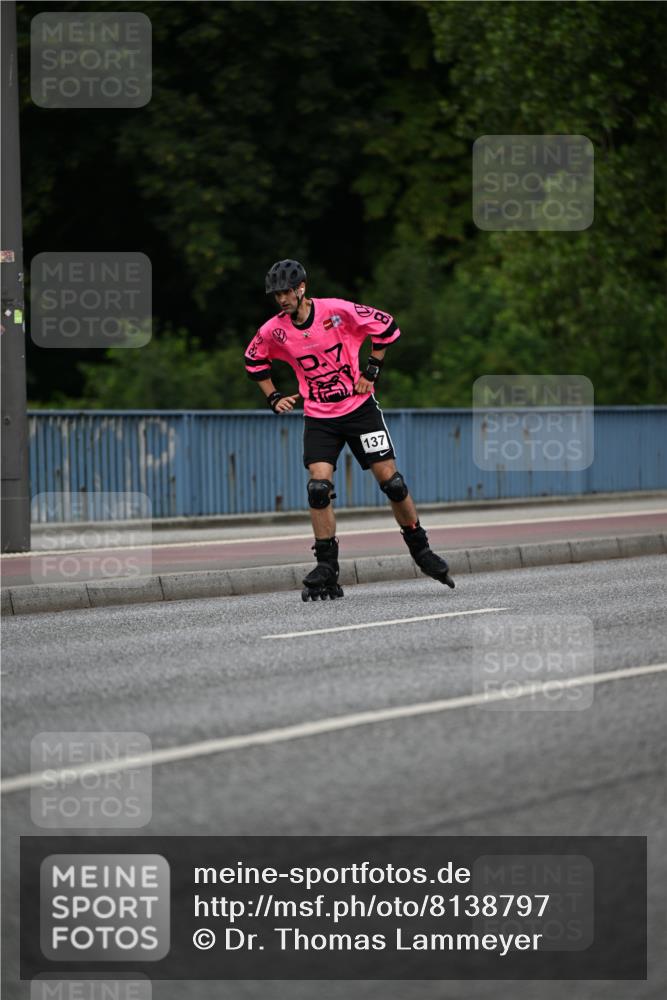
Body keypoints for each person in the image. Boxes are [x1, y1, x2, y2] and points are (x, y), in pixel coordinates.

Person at [244, 258, 455, 600]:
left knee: (392, 482)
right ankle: (327, 565)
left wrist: (371, 370)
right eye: (276, 295)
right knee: (317, 487)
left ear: (301, 288)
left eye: (286, 292)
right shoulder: (274, 331)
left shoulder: (338, 311)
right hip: (319, 417)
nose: (281, 300)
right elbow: (254, 361)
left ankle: (421, 549)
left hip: (359, 411)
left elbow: (386, 326)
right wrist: (274, 397)